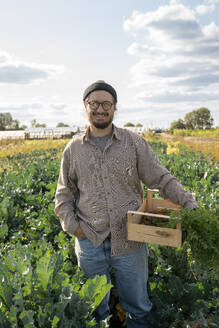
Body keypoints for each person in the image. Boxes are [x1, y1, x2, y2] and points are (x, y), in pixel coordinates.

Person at [54, 80, 198, 328]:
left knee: (138, 309)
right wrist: (75, 229)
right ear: (85, 106)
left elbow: (161, 177)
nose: (100, 109)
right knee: (94, 311)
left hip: (130, 238)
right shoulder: (73, 149)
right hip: (90, 239)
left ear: (115, 107)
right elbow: (64, 194)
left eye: (106, 103)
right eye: (94, 103)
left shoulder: (133, 142)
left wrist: (189, 204)